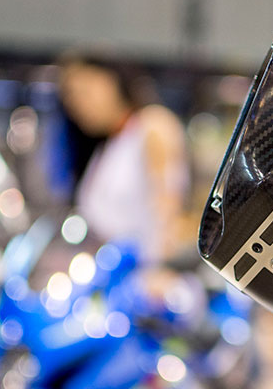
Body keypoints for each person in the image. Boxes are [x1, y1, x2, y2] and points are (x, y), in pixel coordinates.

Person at [59, 57, 188, 261]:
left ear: (114, 82)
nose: (78, 104)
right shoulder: (107, 146)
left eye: (85, 92)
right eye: (70, 97)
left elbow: (170, 211)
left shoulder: (152, 125)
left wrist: (162, 266)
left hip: (148, 272)